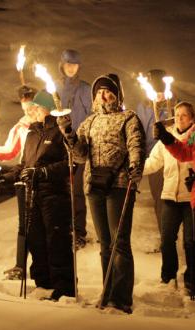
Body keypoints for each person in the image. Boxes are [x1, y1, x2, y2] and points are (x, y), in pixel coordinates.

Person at [61, 74, 146, 313]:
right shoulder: (89, 122)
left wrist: (135, 167)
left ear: (117, 94)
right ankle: (107, 290)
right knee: (105, 243)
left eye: (108, 91)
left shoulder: (128, 117)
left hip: (118, 184)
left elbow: (136, 144)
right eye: (99, 92)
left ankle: (121, 298)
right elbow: (79, 154)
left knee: (119, 241)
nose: (103, 95)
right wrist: (69, 134)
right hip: (94, 185)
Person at [0, 89, 75, 301]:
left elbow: (70, 164)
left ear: (47, 108)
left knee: (56, 239)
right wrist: (7, 177)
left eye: (37, 108)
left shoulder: (60, 130)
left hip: (54, 194)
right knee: (36, 239)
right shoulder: (32, 132)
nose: (33, 111)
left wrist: (43, 172)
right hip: (33, 194)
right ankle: (43, 283)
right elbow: (25, 163)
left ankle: (65, 286)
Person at [0, 85, 37, 280]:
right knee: (23, 224)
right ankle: (20, 265)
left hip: (43, 179)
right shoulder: (21, 126)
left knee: (39, 224)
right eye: (25, 108)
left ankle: (43, 266)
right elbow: (9, 151)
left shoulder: (49, 122)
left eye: (32, 107)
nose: (28, 112)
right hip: (23, 177)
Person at [153, 102, 195, 296]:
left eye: (184, 115)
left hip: (191, 197)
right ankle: (168, 277)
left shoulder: (194, 136)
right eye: (177, 114)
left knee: (190, 241)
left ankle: (192, 280)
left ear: (192, 118)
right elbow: (156, 160)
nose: (179, 118)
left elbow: (186, 153)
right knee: (167, 238)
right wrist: (135, 170)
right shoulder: (169, 134)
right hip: (171, 195)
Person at [56, 49, 92, 248]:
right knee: (61, 190)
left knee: (77, 190)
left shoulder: (85, 89)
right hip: (59, 146)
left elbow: (92, 114)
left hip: (79, 145)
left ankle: (79, 231)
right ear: (62, 65)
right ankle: (62, 228)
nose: (70, 68)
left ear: (79, 67)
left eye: (74, 64)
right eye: (67, 64)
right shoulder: (54, 88)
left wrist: (83, 138)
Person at [137, 69, 173, 252]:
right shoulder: (143, 108)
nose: (158, 96)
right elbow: (140, 133)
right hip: (153, 158)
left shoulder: (171, 106)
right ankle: (165, 239)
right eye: (155, 91)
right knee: (159, 199)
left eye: (161, 92)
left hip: (173, 158)